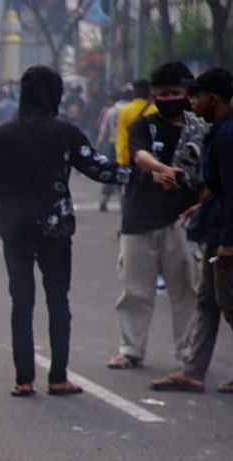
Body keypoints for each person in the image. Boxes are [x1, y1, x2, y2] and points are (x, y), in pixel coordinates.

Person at [0, 65, 131, 397]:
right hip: (55, 228)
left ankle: (23, 380)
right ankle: (58, 377)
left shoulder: (3, 135)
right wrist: (145, 172)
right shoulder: (65, 132)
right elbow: (98, 168)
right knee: (57, 302)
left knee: (21, 303)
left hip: (15, 229)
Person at [107, 62, 207, 372]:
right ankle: (131, 349)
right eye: (163, 94)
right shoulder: (144, 125)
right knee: (135, 288)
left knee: (186, 290)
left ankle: (188, 352)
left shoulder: (201, 129)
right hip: (140, 218)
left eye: (175, 92)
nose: (170, 98)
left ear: (187, 94)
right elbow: (139, 155)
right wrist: (160, 169)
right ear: (153, 96)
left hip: (182, 219)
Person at [151, 67, 233, 394]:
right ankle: (194, 371)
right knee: (208, 301)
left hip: (225, 234)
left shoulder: (227, 136)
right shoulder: (220, 130)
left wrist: (228, 242)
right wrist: (201, 207)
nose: (191, 102)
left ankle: (194, 370)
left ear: (213, 99)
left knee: (228, 301)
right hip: (216, 227)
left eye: (197, 96)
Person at [95, 88, 128, 212]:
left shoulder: (110, 111)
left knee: (109, 171)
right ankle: (122, 203)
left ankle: (104, 200)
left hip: (111, 143)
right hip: (126, 145)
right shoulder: (130, 109)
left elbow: (103, 130)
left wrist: (98, 145)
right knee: (124, 173)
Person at [115, 79, 155, 167]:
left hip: (131, 159)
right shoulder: (155, 110)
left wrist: (121, 161)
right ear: (149, 92)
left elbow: (122, 138)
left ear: (134, 92)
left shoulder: (123, 110)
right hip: (151, 160)